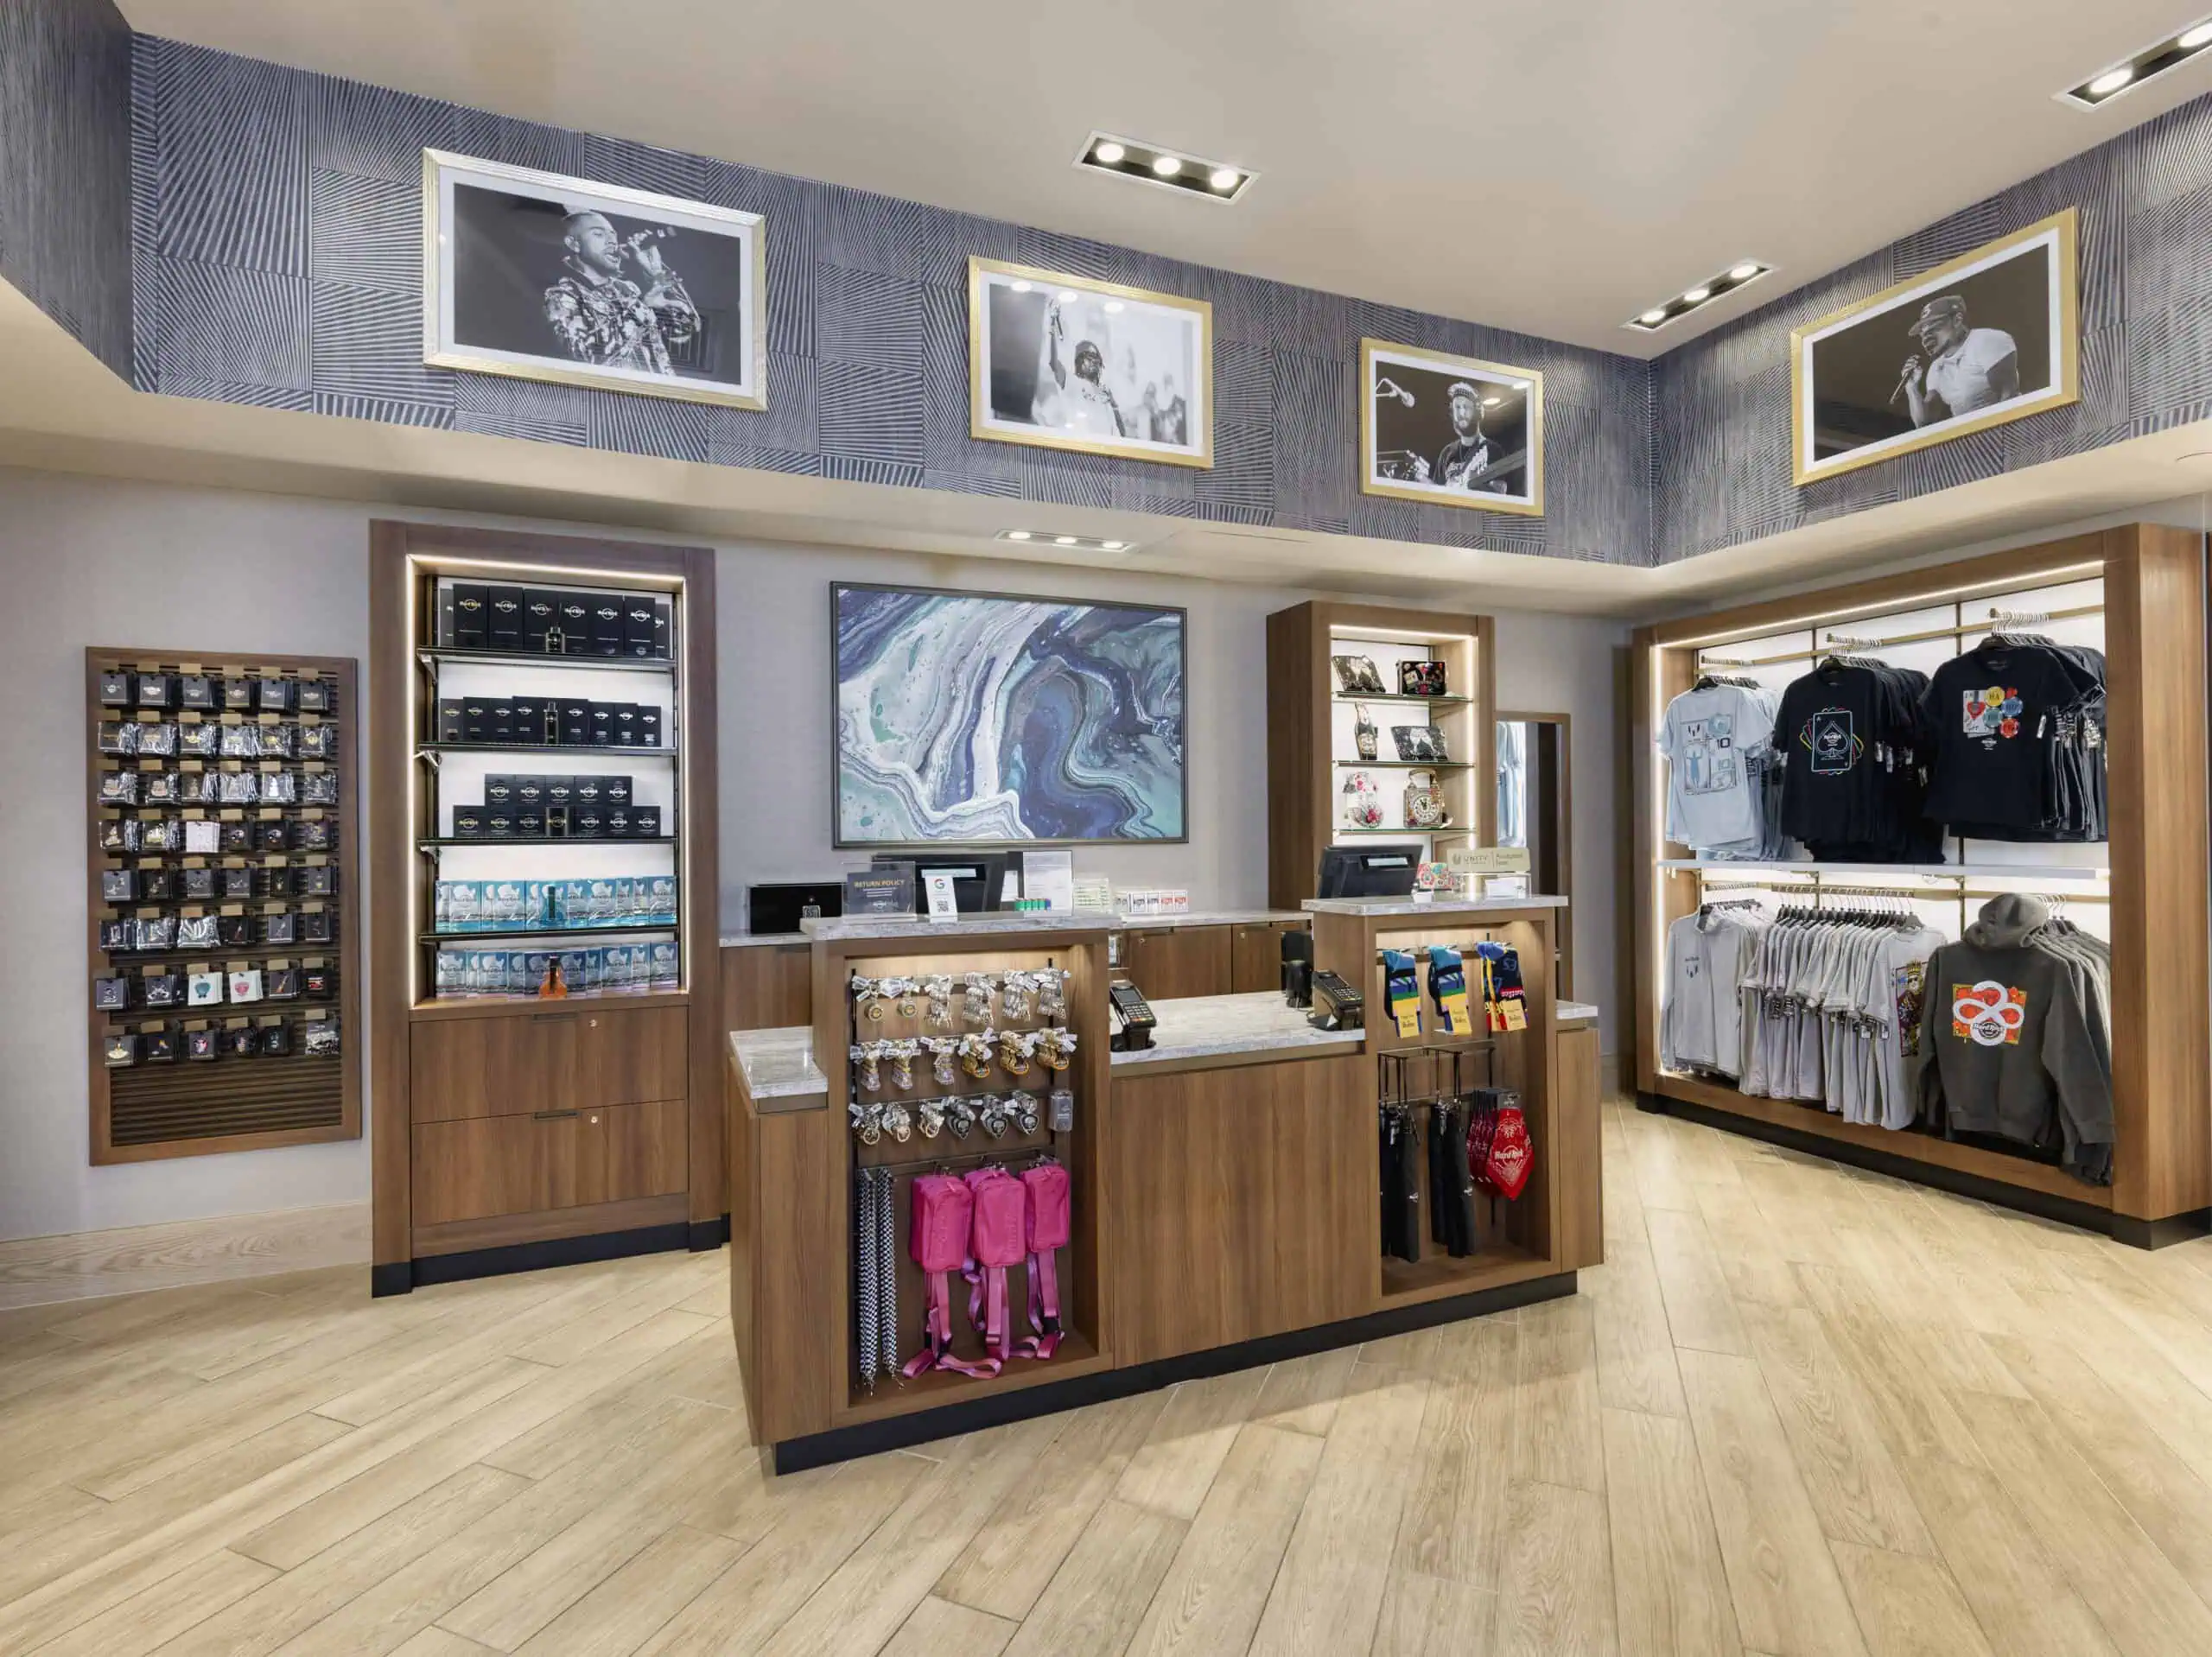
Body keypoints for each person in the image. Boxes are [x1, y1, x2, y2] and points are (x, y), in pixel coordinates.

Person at [543, 210, 700, 374]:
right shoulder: (561, 296)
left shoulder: (628, 289)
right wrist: (640, 309)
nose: (612, 241)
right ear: (574, 244)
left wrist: (657, 276)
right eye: (599, 234)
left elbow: (686, 329)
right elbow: (585, 356)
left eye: (613, 235)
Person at [1899, 295, 2018, 427]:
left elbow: (2009, 398)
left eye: (1934, 327)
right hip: (1969, 435)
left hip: (2000, 431)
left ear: (1957, 320)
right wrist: (1911, 388)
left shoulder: (1986, 340)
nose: (1927, 337)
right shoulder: (1936, 367)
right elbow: (1924, 422)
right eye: (1923, 332)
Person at [1032, 298, 1125, 436]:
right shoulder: (1071, 381)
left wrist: (1114, 407)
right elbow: (1054, 365)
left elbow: (1121, 433)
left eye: (1098, 328)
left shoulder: (1110, 386)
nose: (1095, 334)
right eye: (1091, 326)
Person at [1413, 381, 1505, 492]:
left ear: (1477, 412)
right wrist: (1421, 478)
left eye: (1466, 407)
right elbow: (1439, 494)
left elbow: (1500, 491)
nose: (1461, 413)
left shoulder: (1492, 450)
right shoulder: (1447, 452)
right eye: (1457, 407)